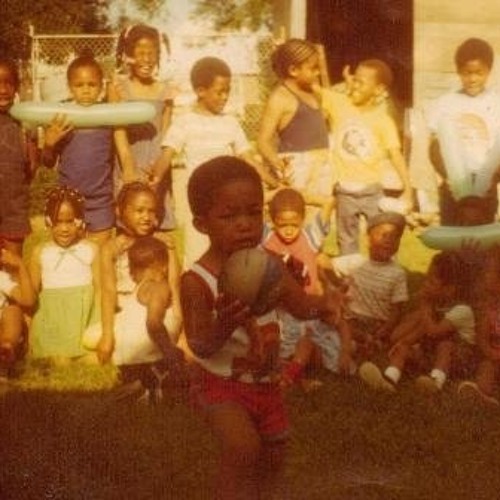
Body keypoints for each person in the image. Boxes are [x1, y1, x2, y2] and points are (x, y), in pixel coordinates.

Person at [180, 155, 343, 500]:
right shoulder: (197, 280)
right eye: (229, 216)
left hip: (267, 382)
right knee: (242, 448)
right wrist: (223, 325)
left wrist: (326, 303)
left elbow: (300, 305)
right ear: (201, 224)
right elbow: (199, 344)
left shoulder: (270, 265)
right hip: (221, 383)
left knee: (273, 457)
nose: (244, 225)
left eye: (253, 213)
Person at [150, 56, 273, 268]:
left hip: (228, 200)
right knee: (198, 249)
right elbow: (167, 154)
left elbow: (248, 158)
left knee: (231, 249)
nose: (225, 97)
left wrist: (273, 180)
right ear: (201, 91)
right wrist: (154, 180)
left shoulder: (230, 122)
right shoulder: (185, 122)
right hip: (201, 199)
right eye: (219, 92)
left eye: (228, 91)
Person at [262, 188, 352, 385]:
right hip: (281, 309)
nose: (288, 230)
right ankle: (295, 370)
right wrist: (276, 192)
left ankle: (296, 370)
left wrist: (305, 197)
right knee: (273, 346)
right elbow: (255, 206)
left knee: (320, 337)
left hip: (307, 306)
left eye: (294, 225)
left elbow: (329, 202)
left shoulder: (310, 238)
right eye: (282, 225)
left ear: (302, 220)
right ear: (273, 220)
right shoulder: (267, 238)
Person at [322, 59, 412, 255]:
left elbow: (395, 155)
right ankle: (350, 274)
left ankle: (384, 272)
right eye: (354, 79)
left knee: (381, 238)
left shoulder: (383, 120)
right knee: (346, 240)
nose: (354, 85)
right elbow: (314, 88)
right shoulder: (340, 105)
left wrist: (408, 188)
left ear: (378, 89)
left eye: (360, 82)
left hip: (372, 191)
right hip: (344, 190)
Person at [41, 53, 131, 245]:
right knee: (71, 254)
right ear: (69, 87)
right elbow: (48, 163)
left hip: (101, 202)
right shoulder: (63, 117)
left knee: (99, 254)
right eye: (79, 85)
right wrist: (49, 144)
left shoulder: (107, 115)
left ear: (101, 86)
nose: (86, 90)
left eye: (92, 85)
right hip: (68, 202)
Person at [84, 235, 185, 403]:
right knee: (179, 373)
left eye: (132, 269)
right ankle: (149, 385)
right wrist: (169, 351)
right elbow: (153, 323)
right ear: (164, 267)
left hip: (128, 358)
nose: (131, 274)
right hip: (147, 356)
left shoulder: (139, 288)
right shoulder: (159, 288)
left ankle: (138, 384)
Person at [359, 251, 477, 393]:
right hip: (432, 356)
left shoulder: (462, 310)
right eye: (426, 279)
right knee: (405, 348)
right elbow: (402, 335)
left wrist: (425, 307)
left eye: (431, 282)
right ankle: (388, 380)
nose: (425, 284)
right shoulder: (434, 306)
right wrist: (403, 344)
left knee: (445, 345)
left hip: (458, 362)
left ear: (449, 290)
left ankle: (436, 383)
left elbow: (433, 332)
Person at [93, 182, 182, 370]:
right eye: (139, 211)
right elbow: (108, 292)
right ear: (120, 212)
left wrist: (181, 329)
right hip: (126, 313)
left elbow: (174, 284)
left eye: (151, 211)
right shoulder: (111, 248)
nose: (146, 217)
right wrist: (107, 335)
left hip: (157, 312)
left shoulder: (163, 243)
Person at [110, 23, 177, 231]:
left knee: (155, 226)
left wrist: (160, 167)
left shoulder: (165, 91)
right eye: (140, 53)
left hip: (155, 167)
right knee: (129, 227)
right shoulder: (118, 88)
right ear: (129, 55)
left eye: (152, 53)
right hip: (129, 164)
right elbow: (118, 130)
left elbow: (166, 133)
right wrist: (128, 166)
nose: (146, 59)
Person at [426, 38, 500, 225]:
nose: (473, 79)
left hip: (486, 182)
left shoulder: (496, 102)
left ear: (489, 71)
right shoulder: (446, 103)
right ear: (459, 71)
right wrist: (447, 177)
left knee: (482, 236)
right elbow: (435, 146)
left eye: (479, 73)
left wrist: (493, 179)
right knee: (452, 233)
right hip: (454, 182)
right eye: (467, 73)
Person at [258, 38, 333, 207]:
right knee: (297, 212)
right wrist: (278, 164)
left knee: (320, 214)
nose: (317, 73)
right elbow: (263, 141)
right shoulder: (280, 98)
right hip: (298, 169)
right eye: (313, 69)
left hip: (321, 165)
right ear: (293, 70)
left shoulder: (314, 93)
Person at [29, 187, 100, 365]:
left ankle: (82, 352)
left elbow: (100, 290)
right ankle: (58, 352)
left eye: (70, 222)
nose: (64, 229)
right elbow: (30, 296)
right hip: (53, 320)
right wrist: (29, 330)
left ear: (80, 221)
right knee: (60, 362)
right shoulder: (41, 252)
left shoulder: (90, 249)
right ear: (48, 221)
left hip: (84, 317)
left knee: (94, 358)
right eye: (58, 222)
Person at [337, 211, 409, 361]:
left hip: (378, 323)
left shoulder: (397, 273)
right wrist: (336, 290)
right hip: (353, 318)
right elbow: (323, 263)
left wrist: (384, 330)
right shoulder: (357, 263)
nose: (389, 241)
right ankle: (360, 345)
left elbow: (397, 311)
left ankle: (364, 345)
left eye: (395, 237)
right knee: (337, 321)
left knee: (360, 335)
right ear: (367, 239)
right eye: (383, 235)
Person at [0, 56, 36, 256]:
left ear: (16, 87)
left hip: (14, 208)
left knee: (13, 263)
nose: (3, 89)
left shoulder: (23, 122)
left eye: (8, 83)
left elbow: (31, 168)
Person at [0, 246, 35, 380]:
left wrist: (21, 267)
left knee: (13, 311)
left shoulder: (1, 278)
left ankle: (5, 350)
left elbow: (28, 301)